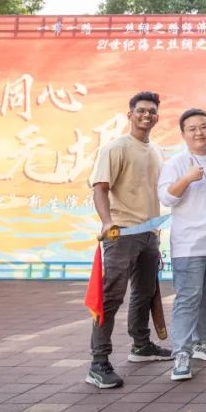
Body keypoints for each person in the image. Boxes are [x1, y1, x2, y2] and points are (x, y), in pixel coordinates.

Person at [85, 92, 172, 389]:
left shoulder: (156, 150)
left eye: (152, 111)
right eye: (141, 110)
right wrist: (107, 221)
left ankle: (141, 345)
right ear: (130, 115)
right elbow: (100, 188)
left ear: (157, 117)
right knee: (111, 297)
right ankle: (98, 363)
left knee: (145, 292)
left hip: (149, 234)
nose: (147, 115)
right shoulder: (115, 148)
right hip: (121, 234)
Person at [159, 108, 206, 382]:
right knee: (188, 299)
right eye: (192, 128)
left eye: (204, 126)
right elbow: (167, 198)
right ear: (183, 134)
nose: (199, 132)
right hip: (189, 246)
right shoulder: (176, 163)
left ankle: (201, 342)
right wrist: (187, 179)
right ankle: (181, 352)